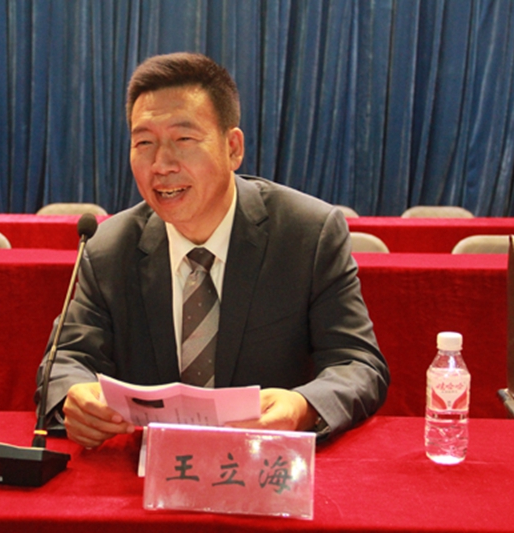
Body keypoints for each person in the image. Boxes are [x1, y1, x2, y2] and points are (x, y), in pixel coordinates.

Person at [36, 52, 389, 448]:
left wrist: (303, 406)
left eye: (183, 139)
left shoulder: (307, 234)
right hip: (150, 470)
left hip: (267, 465)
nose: (161, 164)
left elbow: (358, 363)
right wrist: (74, 395)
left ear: (233, 148)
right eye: (144, 142)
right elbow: (64, 361)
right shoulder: (109, 248)